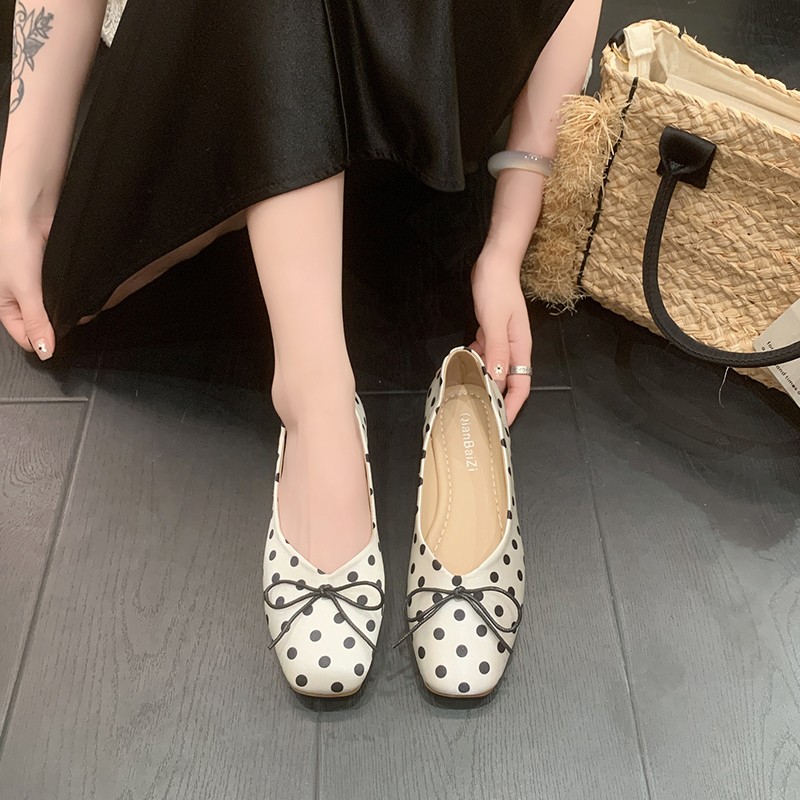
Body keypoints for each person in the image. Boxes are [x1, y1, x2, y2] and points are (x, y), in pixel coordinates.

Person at [0, 0, 602, 575]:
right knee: (65, 289)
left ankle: (317, 407)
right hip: (224, 54)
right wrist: (22, 192)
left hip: (426, 74)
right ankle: (313, 391)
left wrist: (505, 249)